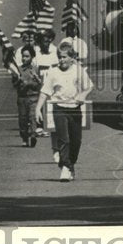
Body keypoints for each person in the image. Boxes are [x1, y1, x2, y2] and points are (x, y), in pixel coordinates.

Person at [36, 42, 93, 182]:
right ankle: (65, 168)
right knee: (63, 139)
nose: (62, 60)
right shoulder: (53, 72)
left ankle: (70, 163)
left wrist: (82, 95)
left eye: (64, 57)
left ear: (71, 57)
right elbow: (44, 92)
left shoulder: (78, 70)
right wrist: (38, 108)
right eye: (60, 57)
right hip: (59, 108)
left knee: (76, 141)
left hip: (75, 109)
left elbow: (89, 86)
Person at [10, 44, 43, 147]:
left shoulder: (35, 69)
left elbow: (39, 84)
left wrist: (30, 83)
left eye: (27, 56)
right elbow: (14, 84)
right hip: (22, 98)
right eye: (23, 56)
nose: (25, 58)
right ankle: (24, 137)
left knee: (32, 117)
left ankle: (33, 135)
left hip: (33, 97)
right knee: (23, 119)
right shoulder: (18, 70)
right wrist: (18, 80)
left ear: (32, 57)